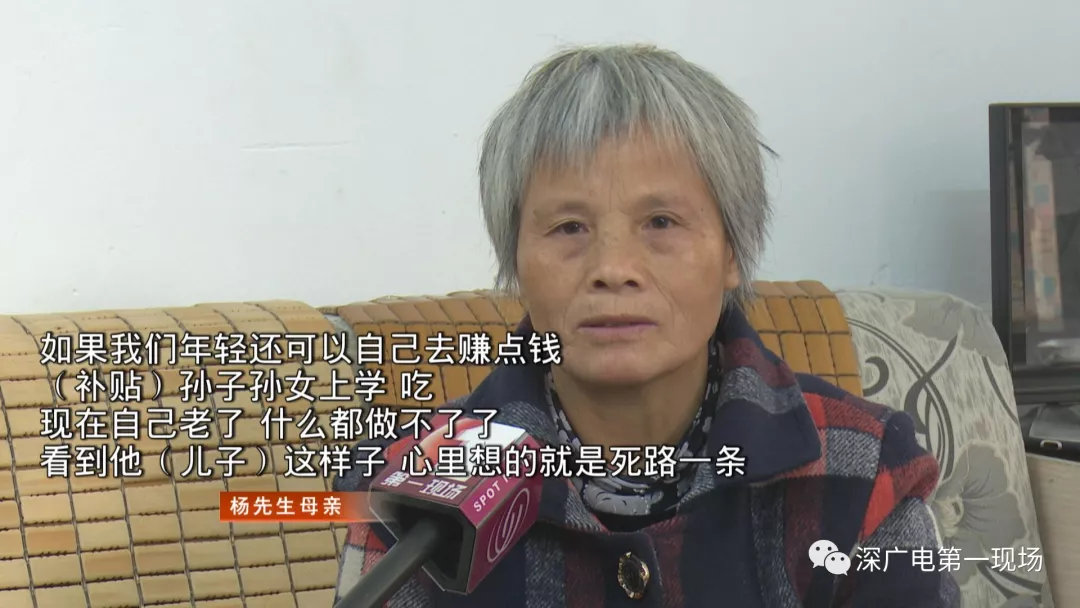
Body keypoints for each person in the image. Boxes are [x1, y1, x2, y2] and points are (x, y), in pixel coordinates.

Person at [333, 44, 960, 607]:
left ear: (732, 252)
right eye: (568, 227)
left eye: (661, 222)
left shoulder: (859, 468)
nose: (613, 269)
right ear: (515, 261)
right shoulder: (410, 482)